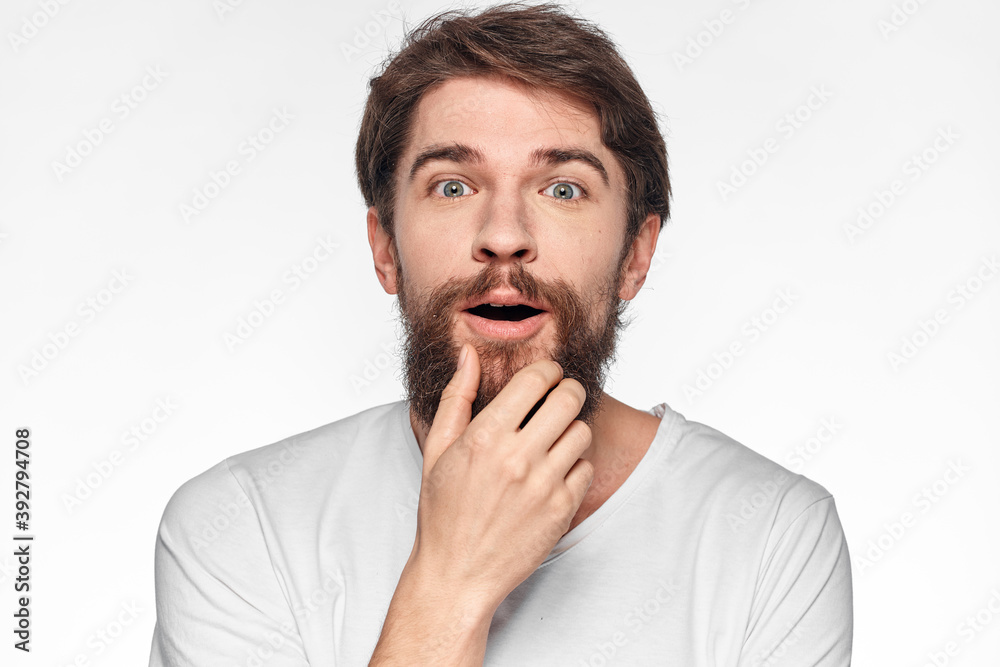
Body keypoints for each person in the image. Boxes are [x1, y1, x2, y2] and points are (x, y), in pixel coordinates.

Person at [149, 3, 852, 665]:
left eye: (564, 188)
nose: (505, 236)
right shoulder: (239, 526)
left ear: (636, 255)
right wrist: (451, 581)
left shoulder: (773, 535)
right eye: (453, 186)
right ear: (385, 248)